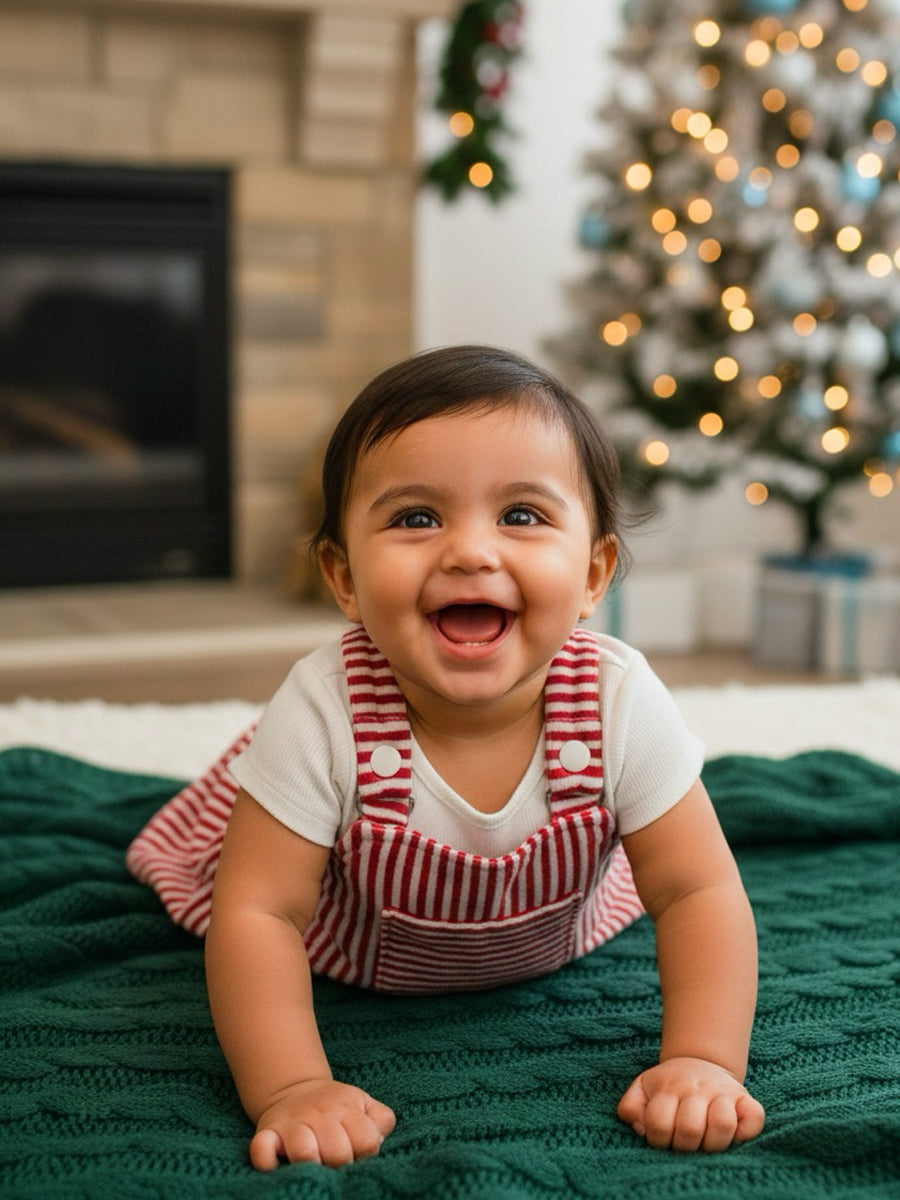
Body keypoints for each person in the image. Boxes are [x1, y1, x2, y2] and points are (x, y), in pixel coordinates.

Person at [128, 345, 765, 1170]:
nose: (470, 551)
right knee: (247, 853)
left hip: (553, 940)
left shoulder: (617, 699)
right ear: (343, 576)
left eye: (523, 516)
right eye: (416, 518)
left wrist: (704, 1061)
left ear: (594, 573)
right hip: (345, 953)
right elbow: (259, 913)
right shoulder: (323, 709)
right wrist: (290, 1087)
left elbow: (697, 889)